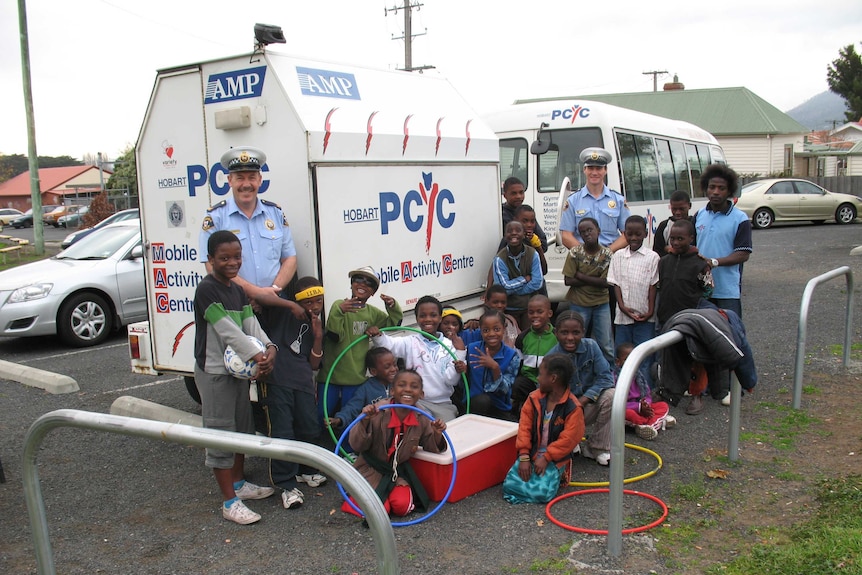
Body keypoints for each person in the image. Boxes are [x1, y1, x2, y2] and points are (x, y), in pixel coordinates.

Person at [193, 230, 277, 525]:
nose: (232, 262)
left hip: (237, 372)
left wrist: (269, 348)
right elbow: (226, 329)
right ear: (211, 259)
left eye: (237, 257)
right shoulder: (207, 290)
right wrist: (255, 356)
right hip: (215, 372)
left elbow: (250, 324)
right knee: (220, 434)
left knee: (243, 428)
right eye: (224, 258)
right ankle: (229, 502)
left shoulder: (237, 290)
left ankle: (240, 484)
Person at [253, 276, 327, 510]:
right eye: (308, 301)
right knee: (282, 430)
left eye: (319, 301)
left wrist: (317, 336)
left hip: (303, 381)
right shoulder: (280, 312)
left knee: (309, 426)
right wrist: (291, 305)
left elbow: (314, 365)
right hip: (277, 380)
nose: (314, 306)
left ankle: (306, 470)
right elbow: (259, 297)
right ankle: (285, 484)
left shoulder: (315, 321)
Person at [341, 369, 447, 518]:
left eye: (414, 386)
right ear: (392, 390)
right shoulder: (377, 412)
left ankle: (381, 498)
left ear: (421, 394)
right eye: (402, 385)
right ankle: (360, 499)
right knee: (379, 512)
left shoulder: (422, 417)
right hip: (370, 469)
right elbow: (357, 445)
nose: (408, 389)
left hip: (397, 473)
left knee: (402, 507)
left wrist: (437, 432)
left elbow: (432, 447)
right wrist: (364, 421)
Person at [199, 146, 297, 301]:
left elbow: (289, 258)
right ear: (230, 181)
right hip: (235, 302)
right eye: (240, 178)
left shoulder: (275, 213)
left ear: (259, 180)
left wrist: (272, 291)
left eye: (251, 177)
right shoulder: (215, 217)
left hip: (276, 300)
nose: (246, 184)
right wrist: (255, 293)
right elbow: (211, 266)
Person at [316, 266, 402, 429]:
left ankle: (348, 449)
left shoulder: (373, 313)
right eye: (358, 279)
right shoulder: (338, 305)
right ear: (351, 284)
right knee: (323, 415)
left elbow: (393, 324)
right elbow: (334, 335)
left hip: (355, 378)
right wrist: (340, 312)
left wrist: (392, 307)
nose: (363, 284)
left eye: (369, 283)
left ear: (373, 292)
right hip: (330, 376)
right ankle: (322, 448)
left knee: (352, 417)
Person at [694, 164, 752, 404]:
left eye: (721, 188)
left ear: (729, 191)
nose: (715, 192)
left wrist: (714, 262)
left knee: (729, 337)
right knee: (704, 335)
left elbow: (743, 253)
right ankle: (706, 385)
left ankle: (729, 387)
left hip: (727, 289)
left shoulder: (740, 219)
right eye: (711, 187)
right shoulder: (699, 215)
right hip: (701, 289)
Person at [368, 296, 467, 421]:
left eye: (433, 315)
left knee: (448, 432)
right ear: (417, 318)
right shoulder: (411, 341)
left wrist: (460, 355)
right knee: (416, 429)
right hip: (415, 402)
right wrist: (378, 336)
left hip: (442, 404)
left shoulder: (449, 346)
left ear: (440, 318)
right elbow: (390, 344)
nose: (428, 319)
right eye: (422, 315)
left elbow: (451, 380)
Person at [547, 310, 616, 466]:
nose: (570, 338)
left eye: (576, 332)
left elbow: (606, 378)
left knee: (612, 396)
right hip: (564, 411)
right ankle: (570, 440)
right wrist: (571, 406)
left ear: (583, 332)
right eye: (564, 333)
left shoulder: (591, 346)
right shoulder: (551, 358)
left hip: (587, 404)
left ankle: (597, 448)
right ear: (556, 333)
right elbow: (548, 394)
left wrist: (583, 400)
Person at [512, 354, 584, 485]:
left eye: (540, 374)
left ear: (553, 378)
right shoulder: (533, 399)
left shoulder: (573, 408)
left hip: (555, 459)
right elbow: (524, 428)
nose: (537, 378)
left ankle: (562, 474)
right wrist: (524, 456)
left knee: (542, 491)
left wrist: (546, 457)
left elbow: (569, 439)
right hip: (531, 454)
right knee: (511, 485)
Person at [606, 215, 659, 384]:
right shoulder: (618, 256)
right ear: (624, 234)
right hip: (623, 316)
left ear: (645, 234)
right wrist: (621, 306)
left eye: (638, 234)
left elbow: (653, 285)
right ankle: (622, 391)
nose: (634, 238)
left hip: (645, 316)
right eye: (630, 234)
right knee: (621, 355)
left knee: (642, 355)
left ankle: (644, 393)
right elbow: (616, 284)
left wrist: (650, 311)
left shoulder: (652, 257)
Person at [561, 217, 614, 363]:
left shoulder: (607, 255)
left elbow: (606, 283)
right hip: (579, 303)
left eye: (590, 230)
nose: (587, 234)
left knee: (606, 344)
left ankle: (610, 376)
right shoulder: (575, 252)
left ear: (598, 231)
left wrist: (580, 275)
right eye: (583, 232)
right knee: (577, 341)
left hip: (601, 303)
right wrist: (593, 279)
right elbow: (568, 280)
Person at [559, 147, 630, 253]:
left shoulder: (618, 200)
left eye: (598, 168)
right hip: (583, 260)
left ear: (605, 170)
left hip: (612, 258)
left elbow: (627, 234)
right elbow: (566, 235)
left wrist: (608, 252)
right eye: (590, 168)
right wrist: (586, 254)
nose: (594, 172)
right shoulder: (573, 201)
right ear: (584, 170)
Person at [464, 310, 521, 421]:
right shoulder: (472, 349)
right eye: (486, 330)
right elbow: (465, 379)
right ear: (480, 330)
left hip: (500, 406)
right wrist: (462, 369)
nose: (491, 334)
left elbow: (505, 389)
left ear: (504, 329)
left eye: (496, 329)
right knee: (482, 401)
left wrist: (495, 367)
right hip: (476, 403)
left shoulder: (512, 355)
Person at [656, 219, 713, 328]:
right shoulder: (664, 261)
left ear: (691, 239)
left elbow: (708, 290)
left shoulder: (699, 264)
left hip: (689, 320)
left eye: (680, 239)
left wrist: (695, 307)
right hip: (665, 319)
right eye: (672, 239)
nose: (676, 243)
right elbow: (660, 287)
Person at [326, 347, 399, 431]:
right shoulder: (366, 388)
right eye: (387, 367)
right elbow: (352, 407)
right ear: (373, 371)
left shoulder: (399, 384)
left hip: (396, 429)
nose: (394, 369)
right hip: (375, 432)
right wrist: (340, 419)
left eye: (395, 364)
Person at [615, 343, 674, 441]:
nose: (631, 362)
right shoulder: (616, 378)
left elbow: (647, 394)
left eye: (634, 359)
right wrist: (638, 407)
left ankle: (647, 425)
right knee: (627, 413)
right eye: (626, 359)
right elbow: (616, 404)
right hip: (629, 409)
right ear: (618, 362)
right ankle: (651, 423)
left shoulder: (639, 376)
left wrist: (646, 405)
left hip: (642, 408)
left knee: (663, 405)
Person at [492, 220, 544, 329]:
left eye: (518, 230)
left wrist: (514, 290)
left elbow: (537, 283)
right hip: (509, 310)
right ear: (505, 236)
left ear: (524, 234)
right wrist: (524, 279)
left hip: (529, 309)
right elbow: (503, 288)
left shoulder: (533, 254)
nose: (514, 233)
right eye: (510, 231)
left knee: (528, 340)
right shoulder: (499, 259)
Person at [510, 295, 556, 416]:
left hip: (549, 381)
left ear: (549, 313)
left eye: (540, 312)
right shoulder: (523, 337)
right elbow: (517, 363)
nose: (535, 315)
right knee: (518, 385)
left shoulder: (557, 336)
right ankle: (525, 411)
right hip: (529, 380)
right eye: (531, 312)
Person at [501, 176, 548, 252]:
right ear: (505, 195)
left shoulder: (526, 212)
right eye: (514, 193)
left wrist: (534, 240)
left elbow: (544, 245)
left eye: (521, 192)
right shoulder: (501, 215)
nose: (518, 196)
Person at [652, 190, 697, 256]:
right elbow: (657, 251)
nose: (677, 212)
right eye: (674, 209)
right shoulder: (664, 226)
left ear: (689, 206)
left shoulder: (696, 224)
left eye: (681, 209)